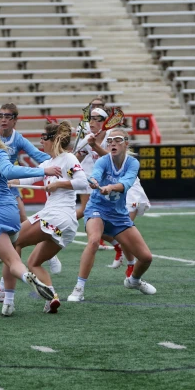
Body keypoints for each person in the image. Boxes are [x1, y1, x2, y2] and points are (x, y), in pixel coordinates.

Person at [0, 116, 62, 316]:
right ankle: (8, 302)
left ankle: (28, 278)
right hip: (9, 210)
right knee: (13, 251)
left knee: (12, 262)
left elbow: (8, 171)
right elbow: (9, 170)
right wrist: (43, 170)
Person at [68, 127, 156, 301]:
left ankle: (134, 280)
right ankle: (79, 288)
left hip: (119, 214)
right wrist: (94, 181)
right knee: (93, 241)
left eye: (117, 140)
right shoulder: (102, 161)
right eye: (110, 140)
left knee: (146, 258)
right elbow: (96, 175)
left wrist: (110, 187)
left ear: (126, 144)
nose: (113, 143)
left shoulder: (132, 163)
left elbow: (126, 183)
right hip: (97, 208)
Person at [9, 120, 88, 313]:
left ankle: (6, 290)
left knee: (15, 241)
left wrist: (58, 183)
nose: (40, 141)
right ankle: (51, 298)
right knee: (34, 262)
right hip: (66, 225)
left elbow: (83, 182)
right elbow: (29, 178)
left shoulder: (68, 159)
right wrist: (10, 182)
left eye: (43, 138)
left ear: (53, 140)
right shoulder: (47, 163)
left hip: (56, 216)